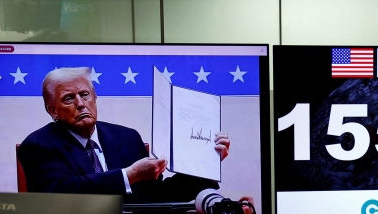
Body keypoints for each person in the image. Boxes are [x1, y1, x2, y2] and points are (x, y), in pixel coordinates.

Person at [18, 67, 228, 202]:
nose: (81, 104)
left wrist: (206, 162)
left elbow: (157, 197)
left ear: (95, 98)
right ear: (52, 110)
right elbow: (63, 193)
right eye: (69, 98)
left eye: (85, 95)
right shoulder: (38, 146)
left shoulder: (126, 138)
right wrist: (129, 175)